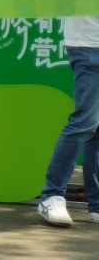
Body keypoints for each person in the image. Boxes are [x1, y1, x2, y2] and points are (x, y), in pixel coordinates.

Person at [37, 16, 99, 227]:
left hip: (90, 41)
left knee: (94, 126)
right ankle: (51, 195)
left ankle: (96, 206)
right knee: (84, 123)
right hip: (91, 42)